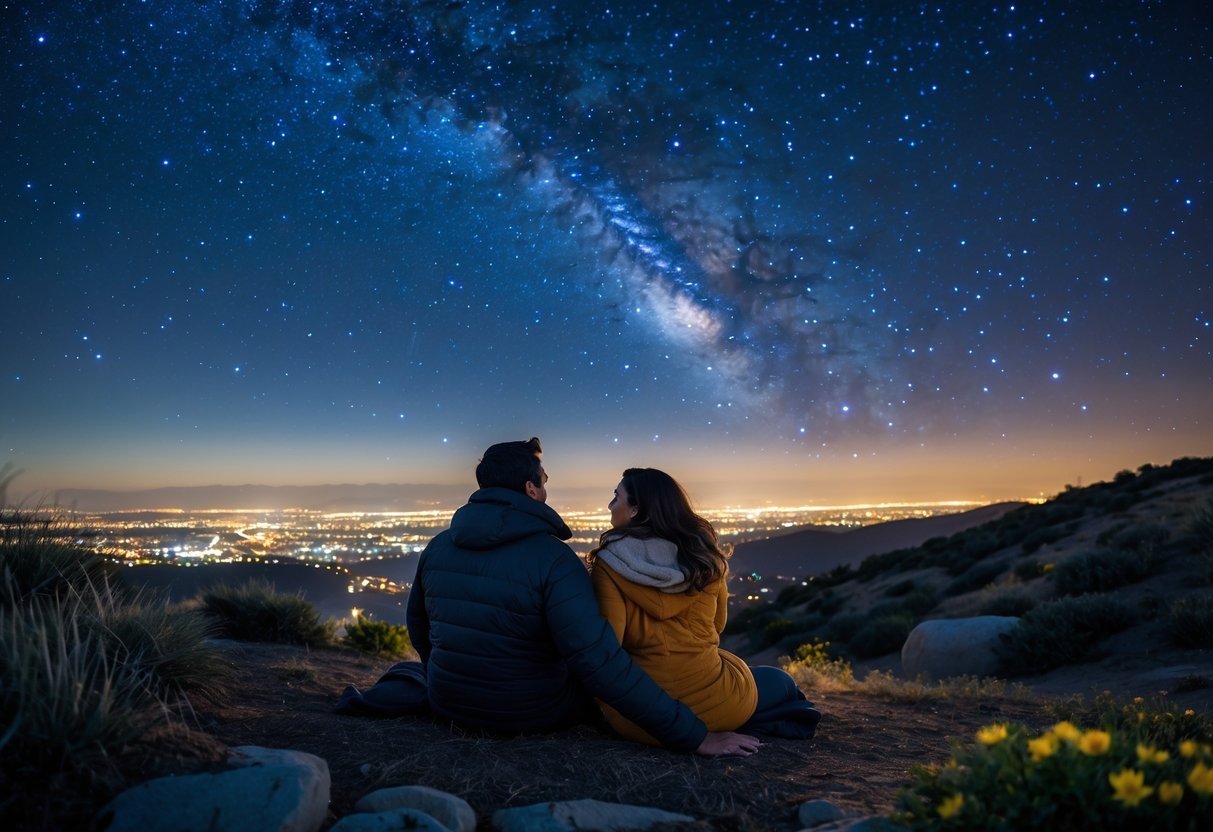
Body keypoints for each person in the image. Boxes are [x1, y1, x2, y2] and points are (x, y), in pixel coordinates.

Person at [404, 437, 759, 757]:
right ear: (530, 489)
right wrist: (694, 737)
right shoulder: (554, 560)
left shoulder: (437, 547)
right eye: (544, 480)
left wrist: (447, 681)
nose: (546, 487)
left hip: (447, 703)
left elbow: (419, 627)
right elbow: (599, 662)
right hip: (530, 712)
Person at [589, 467, 822, 744]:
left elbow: (609, 647)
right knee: (780, 682)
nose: (610, 505)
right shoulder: (701, 556)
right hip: (718, 705)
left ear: (636, 510)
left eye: (616, 498)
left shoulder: (611, 564)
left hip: (639, 718)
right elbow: (717, 625)